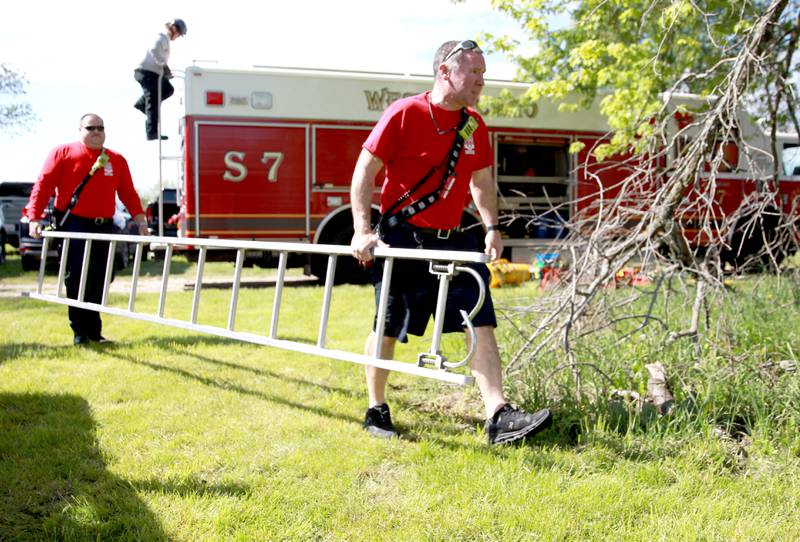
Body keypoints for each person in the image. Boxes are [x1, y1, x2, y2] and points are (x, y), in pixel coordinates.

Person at [349, 40, 553, 445]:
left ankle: (498, 414)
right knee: (388, 325)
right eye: (474, 72)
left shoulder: (474, 123)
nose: (481, 80)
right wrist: (361, 228)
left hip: (454, 238)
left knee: (481, 322)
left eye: (483, 73)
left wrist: (492, 227)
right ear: (445, 71)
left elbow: (480, 182)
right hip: (402, 238)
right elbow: (363, 172)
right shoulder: (404, 113)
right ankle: (376, 407)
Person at [26, 114, 149, 345]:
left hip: (104, 225)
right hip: (74, 224)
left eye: (100, 128)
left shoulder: (116, 159)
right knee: (77, 278)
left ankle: (95, 332)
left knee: (103, 277)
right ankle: (81, 333)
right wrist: (34, 217)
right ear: (79, 129)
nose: (96, 132)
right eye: (90, 127)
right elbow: (43, 186)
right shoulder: (62, 153)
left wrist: (141, 222)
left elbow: (128, 193)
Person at [134, 18, 187, 141]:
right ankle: (152, 133)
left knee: (167, 89)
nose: (178, 37)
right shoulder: (162, 37)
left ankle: (142, 105)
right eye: (179, 33)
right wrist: (164, 66)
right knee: (153, 101)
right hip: (146, 72)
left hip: (153, 73)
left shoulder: (165, 39)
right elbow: (154, 51)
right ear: (174, 29)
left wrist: (165, 70)